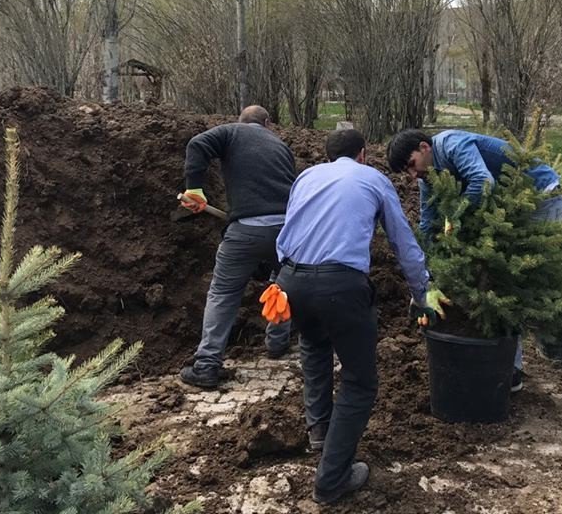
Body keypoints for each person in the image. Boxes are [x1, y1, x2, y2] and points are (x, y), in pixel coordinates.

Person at [275, 129, 445, 505]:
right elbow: (403, 242)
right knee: (359, 381)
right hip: (341, 285)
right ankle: (332, 479)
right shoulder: (373, 178)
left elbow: (288, 232)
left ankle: (320, 433)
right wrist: (423, 293)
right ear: (364, 155)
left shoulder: (306, 176)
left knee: (314, 346)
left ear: (327, 155)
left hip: (291, 278)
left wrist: (285, 283)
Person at [386, 128, 562, 392]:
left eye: (412, 165)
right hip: (505, 209)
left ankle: (511, 370)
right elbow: (426, 225)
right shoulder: (429, 179)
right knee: (491, 281)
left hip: (540, 196)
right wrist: (427, 279)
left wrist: (455, 217)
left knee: (509, 282)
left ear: (424, 147)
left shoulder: (452, 144)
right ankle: (502, 363)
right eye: (407, 172)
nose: (413, 175)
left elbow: (483, 181)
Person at [178, 105, 296, 388]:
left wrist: (194, 188)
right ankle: (277, 344)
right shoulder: (281, 146)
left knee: (224, 293)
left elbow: (197, 143)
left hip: (246, 230)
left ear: (241, 121)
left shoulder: (231, 132)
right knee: (281, 287)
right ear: (267, 124)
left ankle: (207, 365)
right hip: (287, 231)